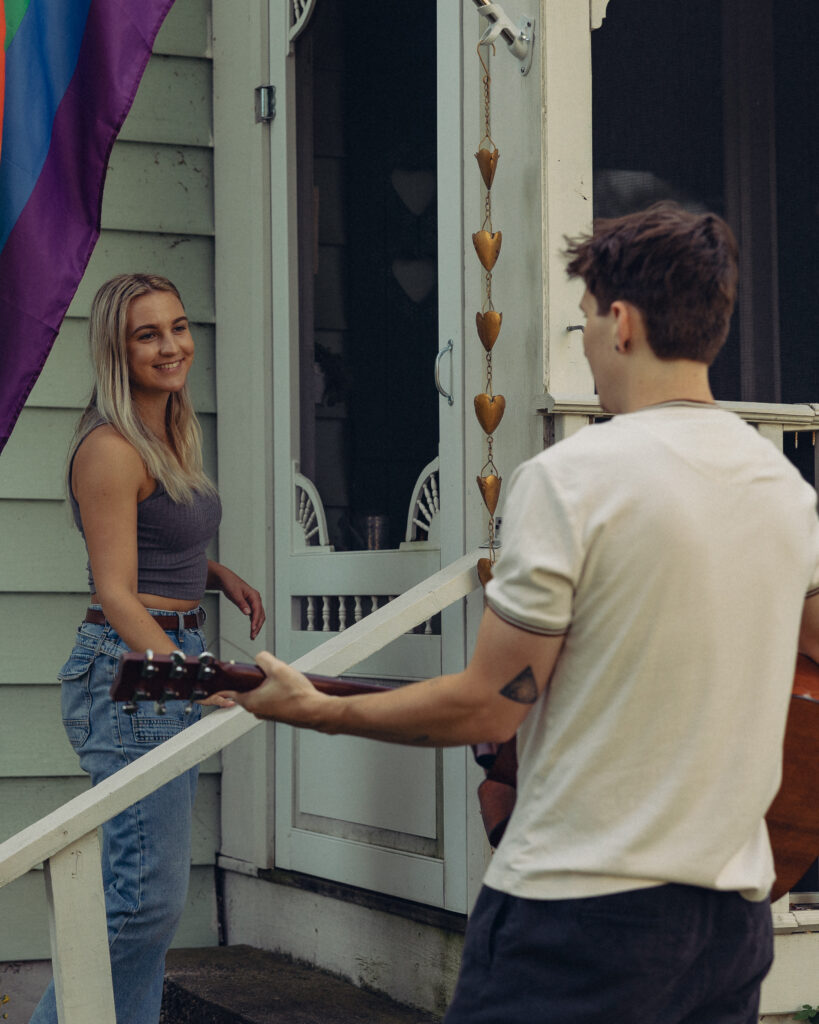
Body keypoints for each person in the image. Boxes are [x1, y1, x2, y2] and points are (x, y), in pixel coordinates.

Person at [220, 202, 819, 1023]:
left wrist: (314, 710)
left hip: (580, 911)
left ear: (620, 321)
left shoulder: (571, 478)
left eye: (581, 327)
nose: (588, 356)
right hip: (728, 922)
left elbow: (488, 704)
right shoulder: (783, 490)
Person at [30, 273, 265, 1024]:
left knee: (151, 912)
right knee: (139, 905)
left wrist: (212, 574)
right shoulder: (109, 447)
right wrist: (193, 675)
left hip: (161, 659)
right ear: (116, 349)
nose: (172, 346)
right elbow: (118, 590)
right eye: (147, 335)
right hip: (134, 671)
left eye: (178, 327)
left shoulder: (166, 431)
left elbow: (155, 544)